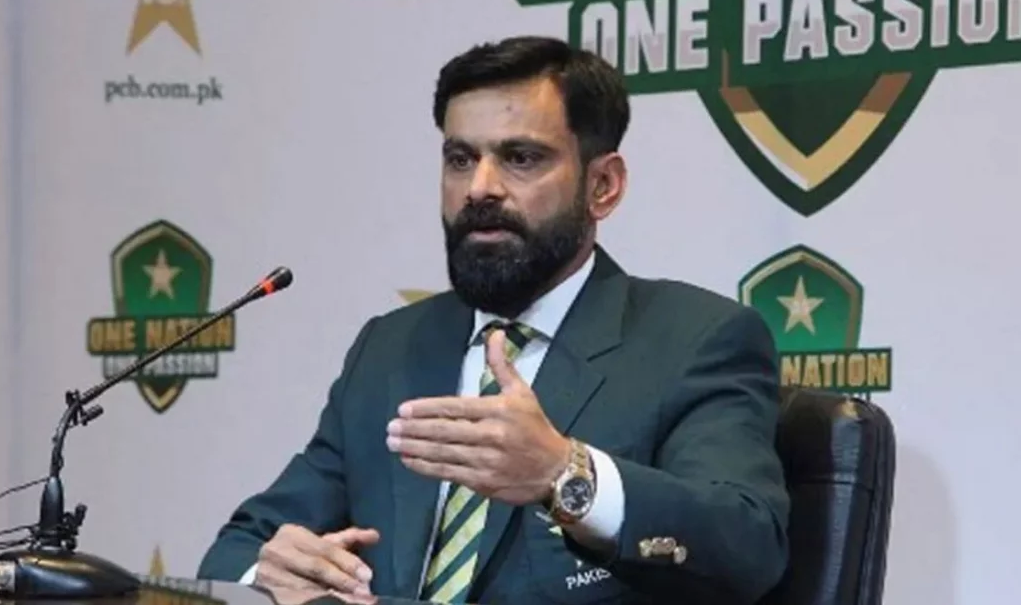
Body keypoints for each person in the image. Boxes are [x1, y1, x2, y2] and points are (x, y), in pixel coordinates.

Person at [197, 35, 790, 605]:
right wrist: (272, 573)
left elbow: (747, 549)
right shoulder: (391, 348)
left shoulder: (694, 339)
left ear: (602, 186)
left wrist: (564, 474)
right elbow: (237, 551)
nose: (479, 188)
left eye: (520, 158)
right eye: (460, 159)